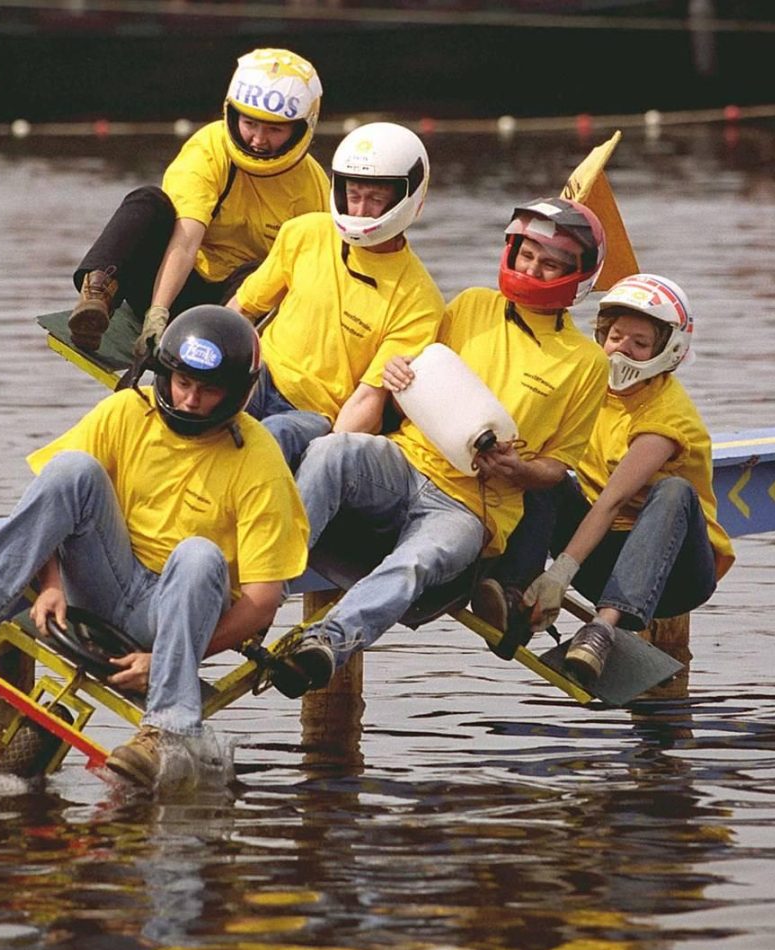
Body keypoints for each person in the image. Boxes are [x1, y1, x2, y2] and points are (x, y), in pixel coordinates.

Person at [0, 307, 310, 789]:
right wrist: (51, 584)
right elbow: (54, 499)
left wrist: (164, 661)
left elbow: (264, 601)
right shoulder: (127, 410)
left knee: (200, 554)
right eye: (181, 382)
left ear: (238, 394)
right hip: (105, 581)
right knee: (71, 469)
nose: (189, 399)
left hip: (173, 613)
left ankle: (164, 729)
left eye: (207, 391)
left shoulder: (260, 460)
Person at [271, 198, 611, 695]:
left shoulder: (586, 362)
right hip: (405, 462)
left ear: (575, 275)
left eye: (550, 263)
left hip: (471, 508)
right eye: (526, 256)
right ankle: (263, 586)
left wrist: (518, 469)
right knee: (333, 451)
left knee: (416, 562)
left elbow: (559, 468)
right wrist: (396, 373)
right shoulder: (472, 304)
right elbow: (421, 372)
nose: (532, 269)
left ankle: (328, 641)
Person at [501, 274, 735, 685]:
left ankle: (602, 630)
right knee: (543, 473)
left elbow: (612, 500)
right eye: (614, 336)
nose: (621, 349)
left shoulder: (667, 415)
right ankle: (513, 594)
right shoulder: (586, 387)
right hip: (603, 558)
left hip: (677, 572)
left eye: (639, 343)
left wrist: (560, 576)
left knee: (674, 490)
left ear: (668, 351)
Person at [67, 48, 328, 357]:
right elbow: (187, 239)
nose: (258, 139)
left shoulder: (313, 186)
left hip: (235, 310)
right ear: (232, 114)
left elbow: (310, 279)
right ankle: (98, 294)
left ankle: (211, 359)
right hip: (169, 283)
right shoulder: (208, 147)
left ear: (300, 128)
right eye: (250, 124)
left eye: (274, 129)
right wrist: (157, 314)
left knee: (260, 273)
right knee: (147, 201)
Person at [231, 121, 445, 468]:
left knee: (273, 433)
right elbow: (241, 310)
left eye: (375, 199)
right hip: (262, 374)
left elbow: (368, 398)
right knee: (215, 413)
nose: (360, 211)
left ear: (408, 198)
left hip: (317, 414)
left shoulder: (420, 301)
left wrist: (325, 462)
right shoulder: (303, 233)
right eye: (354, 196)